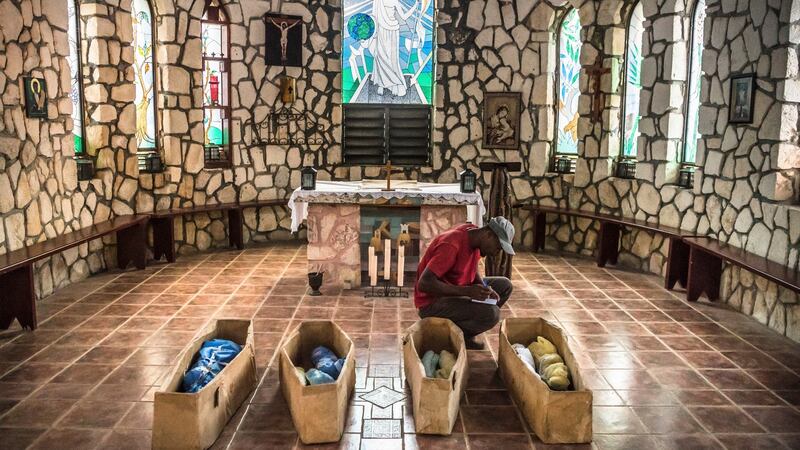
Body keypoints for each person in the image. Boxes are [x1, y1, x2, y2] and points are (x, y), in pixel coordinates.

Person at [413, 217, 515, 350]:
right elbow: (424, 284)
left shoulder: (474, 236)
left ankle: (465, 331)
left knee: (505, 286)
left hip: (456, 289)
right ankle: (455, 336)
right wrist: (467, 292)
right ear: (488, 235)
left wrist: (483, 287)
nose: (497, 253)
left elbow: (471, 266)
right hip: (432, 303)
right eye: (498, 247)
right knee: (492, 314)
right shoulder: (451, 244)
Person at [369, 0, 418, 97]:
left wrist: (415, 7)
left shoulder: (395, 1)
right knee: (381, 56)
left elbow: (403, 17)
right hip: (381, 30)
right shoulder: (377, 1)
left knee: (392, 59)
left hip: (393, 31)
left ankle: (394, 84)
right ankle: (382, 84)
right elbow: (374, 17)